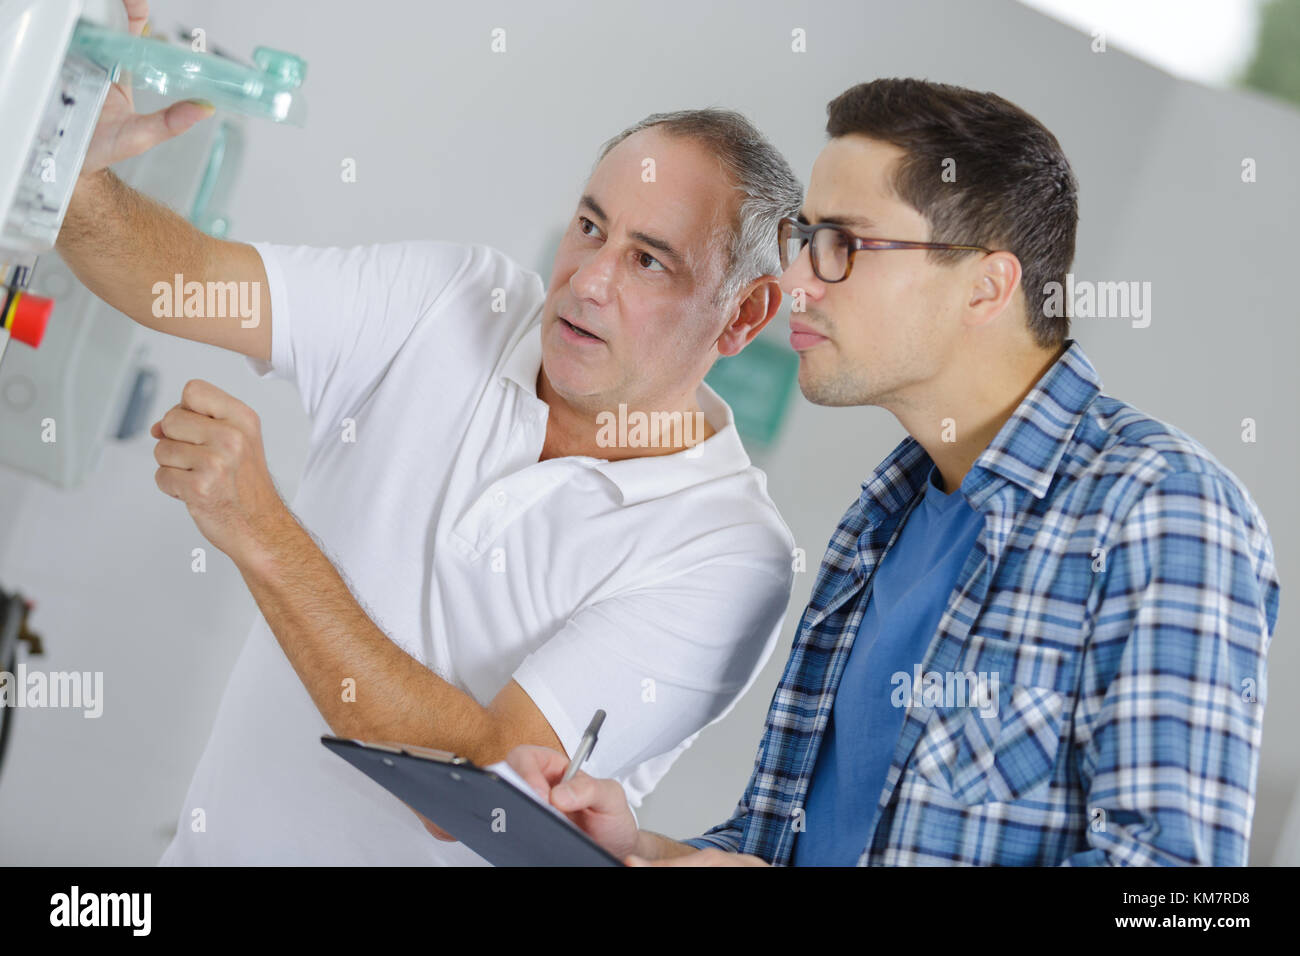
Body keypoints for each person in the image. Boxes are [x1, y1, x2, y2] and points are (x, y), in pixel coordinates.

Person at [55, 0, 804, 864]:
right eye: (591, 226)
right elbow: (178, 282)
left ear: (743, 314)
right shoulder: (457, 302)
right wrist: (71, 160)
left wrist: (259, 530)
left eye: (648, 260)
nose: (589, 280)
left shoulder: (727, 554)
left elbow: (482, 787)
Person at [498, 78, 1281, 867]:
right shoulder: (882, 521)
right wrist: (647, 849)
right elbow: (800, 846)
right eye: (804, 238)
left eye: (845, 244)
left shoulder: (1161, 508)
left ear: (987, 285)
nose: (797, 284)